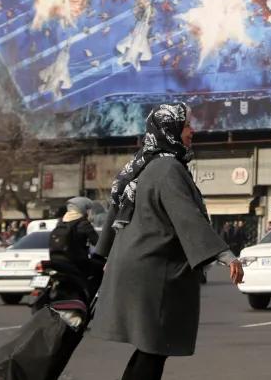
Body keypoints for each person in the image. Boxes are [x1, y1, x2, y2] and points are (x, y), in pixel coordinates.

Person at [92, 103, 244, 380]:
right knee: (154, 347)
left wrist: (103, 254)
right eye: (187, 125)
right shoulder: (167, 168)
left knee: (151, 348)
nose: (192, 131)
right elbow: (186, 216)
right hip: (155, 271)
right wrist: (225, 255)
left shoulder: (141, 164)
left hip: (140, 265)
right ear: (170, 129)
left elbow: (116, 212)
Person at [49, 196, 102, 289]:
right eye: (88, 209)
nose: (89, 212)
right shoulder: (83, 223)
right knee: (100, 267)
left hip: (56, 260)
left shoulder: (61, 222)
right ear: (83, 209)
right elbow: (98, 243)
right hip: (77, 261)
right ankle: (91, 295)